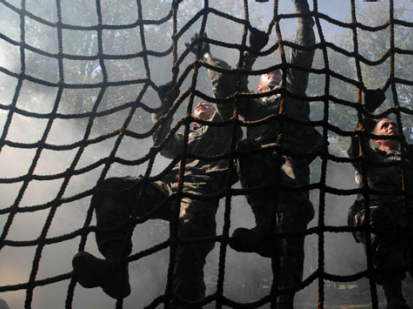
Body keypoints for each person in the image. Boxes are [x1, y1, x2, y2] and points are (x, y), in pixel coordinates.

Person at [188, 0, 320, 307]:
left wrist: (301, 8)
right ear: (260, 86)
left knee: (289, 242)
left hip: (292, 182)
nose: (273, 76)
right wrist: (218, 55)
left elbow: (304, 48)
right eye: (267, 76)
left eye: (277, 74)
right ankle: (264, 225)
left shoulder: (294, 94)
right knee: (245, 147)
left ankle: (283, 300)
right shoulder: (252, 107)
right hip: (263, 179)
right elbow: (228, 90)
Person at [71, 80, 241, 307]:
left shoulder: (227, 127)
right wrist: (166, 104)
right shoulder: (188, 139)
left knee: (188, 252)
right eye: (198, 105)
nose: (201, 105)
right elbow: (162, 141)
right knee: (112, 189)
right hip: (167, 187)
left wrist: (210, 59)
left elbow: (228, 99)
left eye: (207, 105)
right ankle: (115, 266)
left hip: (201, 191)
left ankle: (184, 303)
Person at [346, 92, 413, 309]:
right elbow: (355, 148)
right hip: (373, 209)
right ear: (376, 139)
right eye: (384, 126)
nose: (391, 127)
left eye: (394, 125)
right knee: (381, 221)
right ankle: (394, 298)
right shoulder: (371, 158)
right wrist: (367, 113)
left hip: (409, 215)